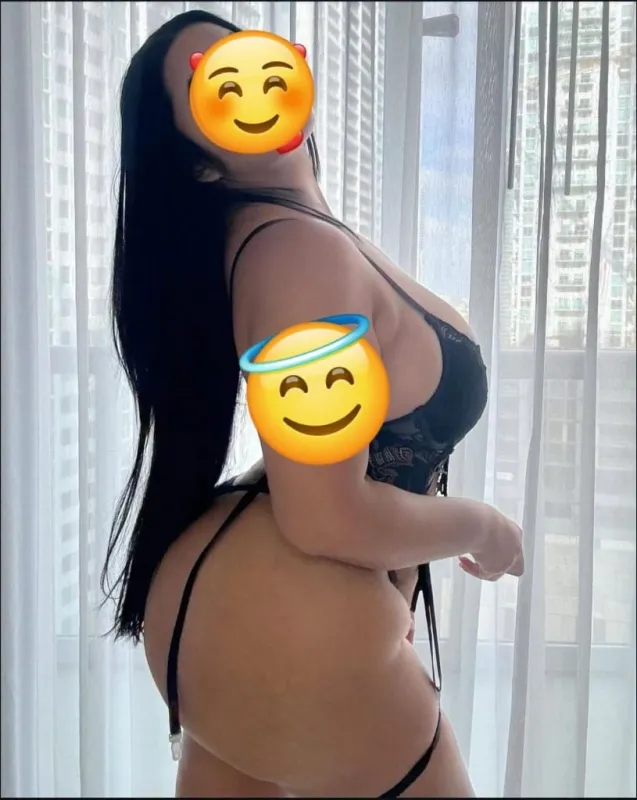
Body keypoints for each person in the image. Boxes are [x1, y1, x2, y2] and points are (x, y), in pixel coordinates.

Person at [102, 9, 524, 798]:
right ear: (199, 163)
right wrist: (482, 528)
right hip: (287, 618)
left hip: (231, 608)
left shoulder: (290, 240)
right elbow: (324, 515)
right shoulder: (298, 254)